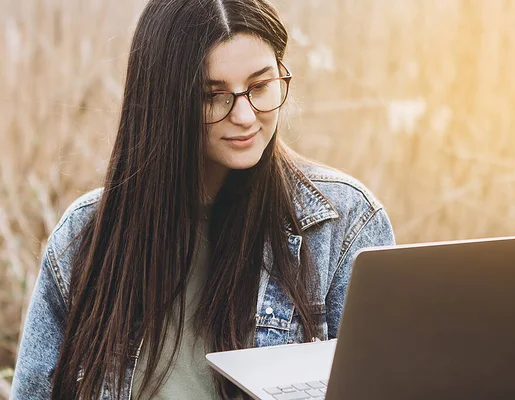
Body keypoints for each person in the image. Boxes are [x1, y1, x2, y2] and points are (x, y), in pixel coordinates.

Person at [11, 0, 395, 398]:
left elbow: (390, 385)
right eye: (214, 95)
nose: (245, 115)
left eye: (260, 86)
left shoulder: (343, 224)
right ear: (165, 102)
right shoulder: (85, 239)